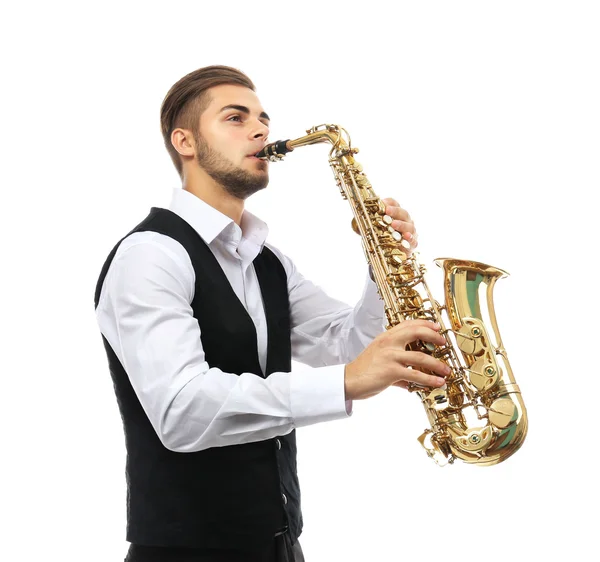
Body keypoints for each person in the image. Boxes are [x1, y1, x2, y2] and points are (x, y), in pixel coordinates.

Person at [94, 65, 449, 562]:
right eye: (235, 118)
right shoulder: (150, 255)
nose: (261, 130)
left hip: (279, 543)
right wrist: (345, 382)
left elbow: (347, 344)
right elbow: (181, 409)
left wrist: (379, 262)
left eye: (262, 118)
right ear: (185, 142)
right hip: (184, 551)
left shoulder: (267, 260)